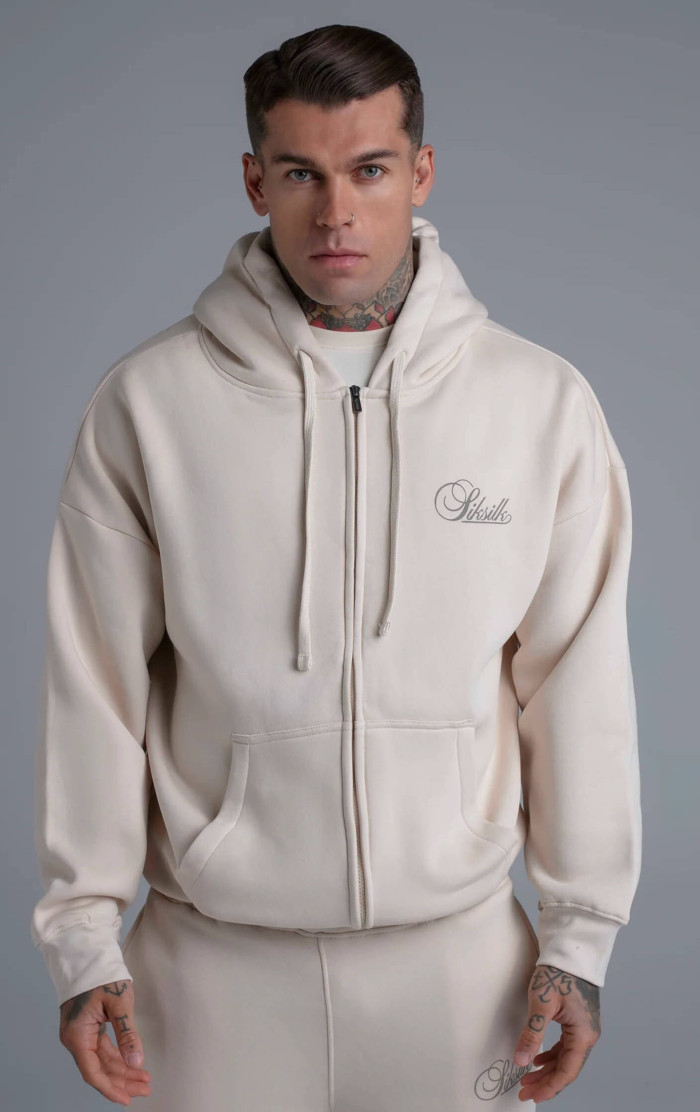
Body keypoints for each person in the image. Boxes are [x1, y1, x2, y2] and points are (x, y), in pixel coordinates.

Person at [30, 22, 642, 1111]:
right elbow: (95, 686)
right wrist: (83, 942)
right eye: (301, 174)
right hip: (208, 975)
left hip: (461, 974)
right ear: (254, 181)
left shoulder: (537, 403)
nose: (336, 211)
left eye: (368, 169)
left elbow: (576, 682)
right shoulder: (151, 405)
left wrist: (580, 937)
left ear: (421, 171)